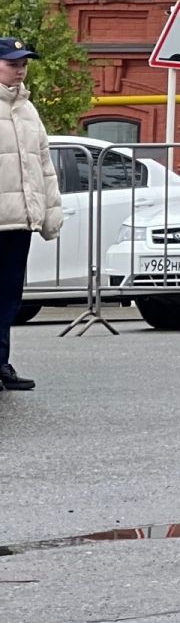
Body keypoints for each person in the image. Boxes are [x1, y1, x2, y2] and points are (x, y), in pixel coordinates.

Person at [0, 37, 63, 391]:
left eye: (23, 63)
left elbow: (44, 165)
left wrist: (49, 214)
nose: (20, 69)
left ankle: (1, 364)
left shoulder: (28, 109)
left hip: (18, 220)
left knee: (8, 298)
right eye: (12, 63)